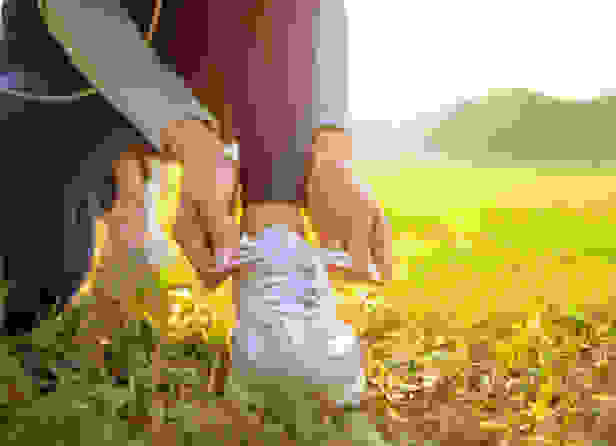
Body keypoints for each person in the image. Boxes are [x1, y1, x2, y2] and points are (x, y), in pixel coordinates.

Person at [2, 0, 393, 441]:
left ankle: (275, 241)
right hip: (52, 69)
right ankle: (123, 186)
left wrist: (329, 152)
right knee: (31, 289)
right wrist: (190, 140)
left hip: (200, 51)